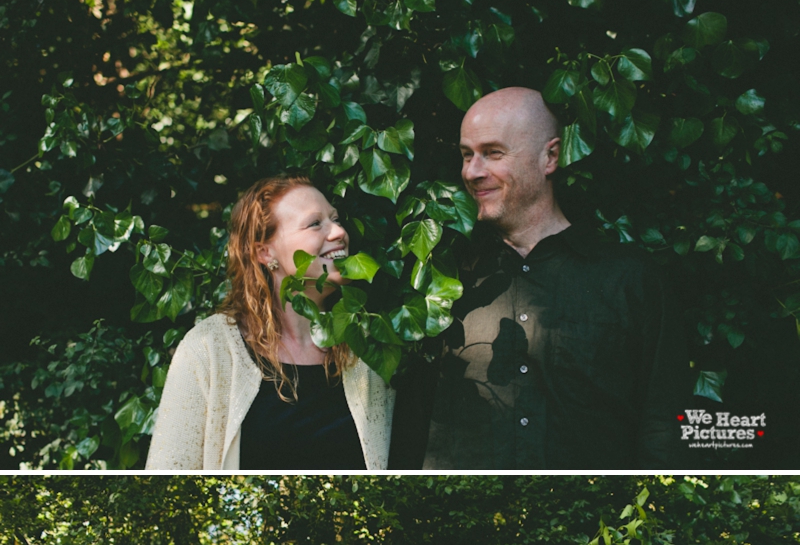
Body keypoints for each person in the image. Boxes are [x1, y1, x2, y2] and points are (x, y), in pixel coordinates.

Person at [419, 86, 688, 470]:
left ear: (551, 156)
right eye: (466, 155)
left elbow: (664, 427)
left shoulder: (630, 279)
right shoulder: (445, 278)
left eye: (493, 153)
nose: (472, 172)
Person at [145, 176, 395, 469]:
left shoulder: (364, 349)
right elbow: (171, 469)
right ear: (265, 252)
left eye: (335, 219)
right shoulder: (208, 351)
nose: (339, 231)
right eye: (315, 224)